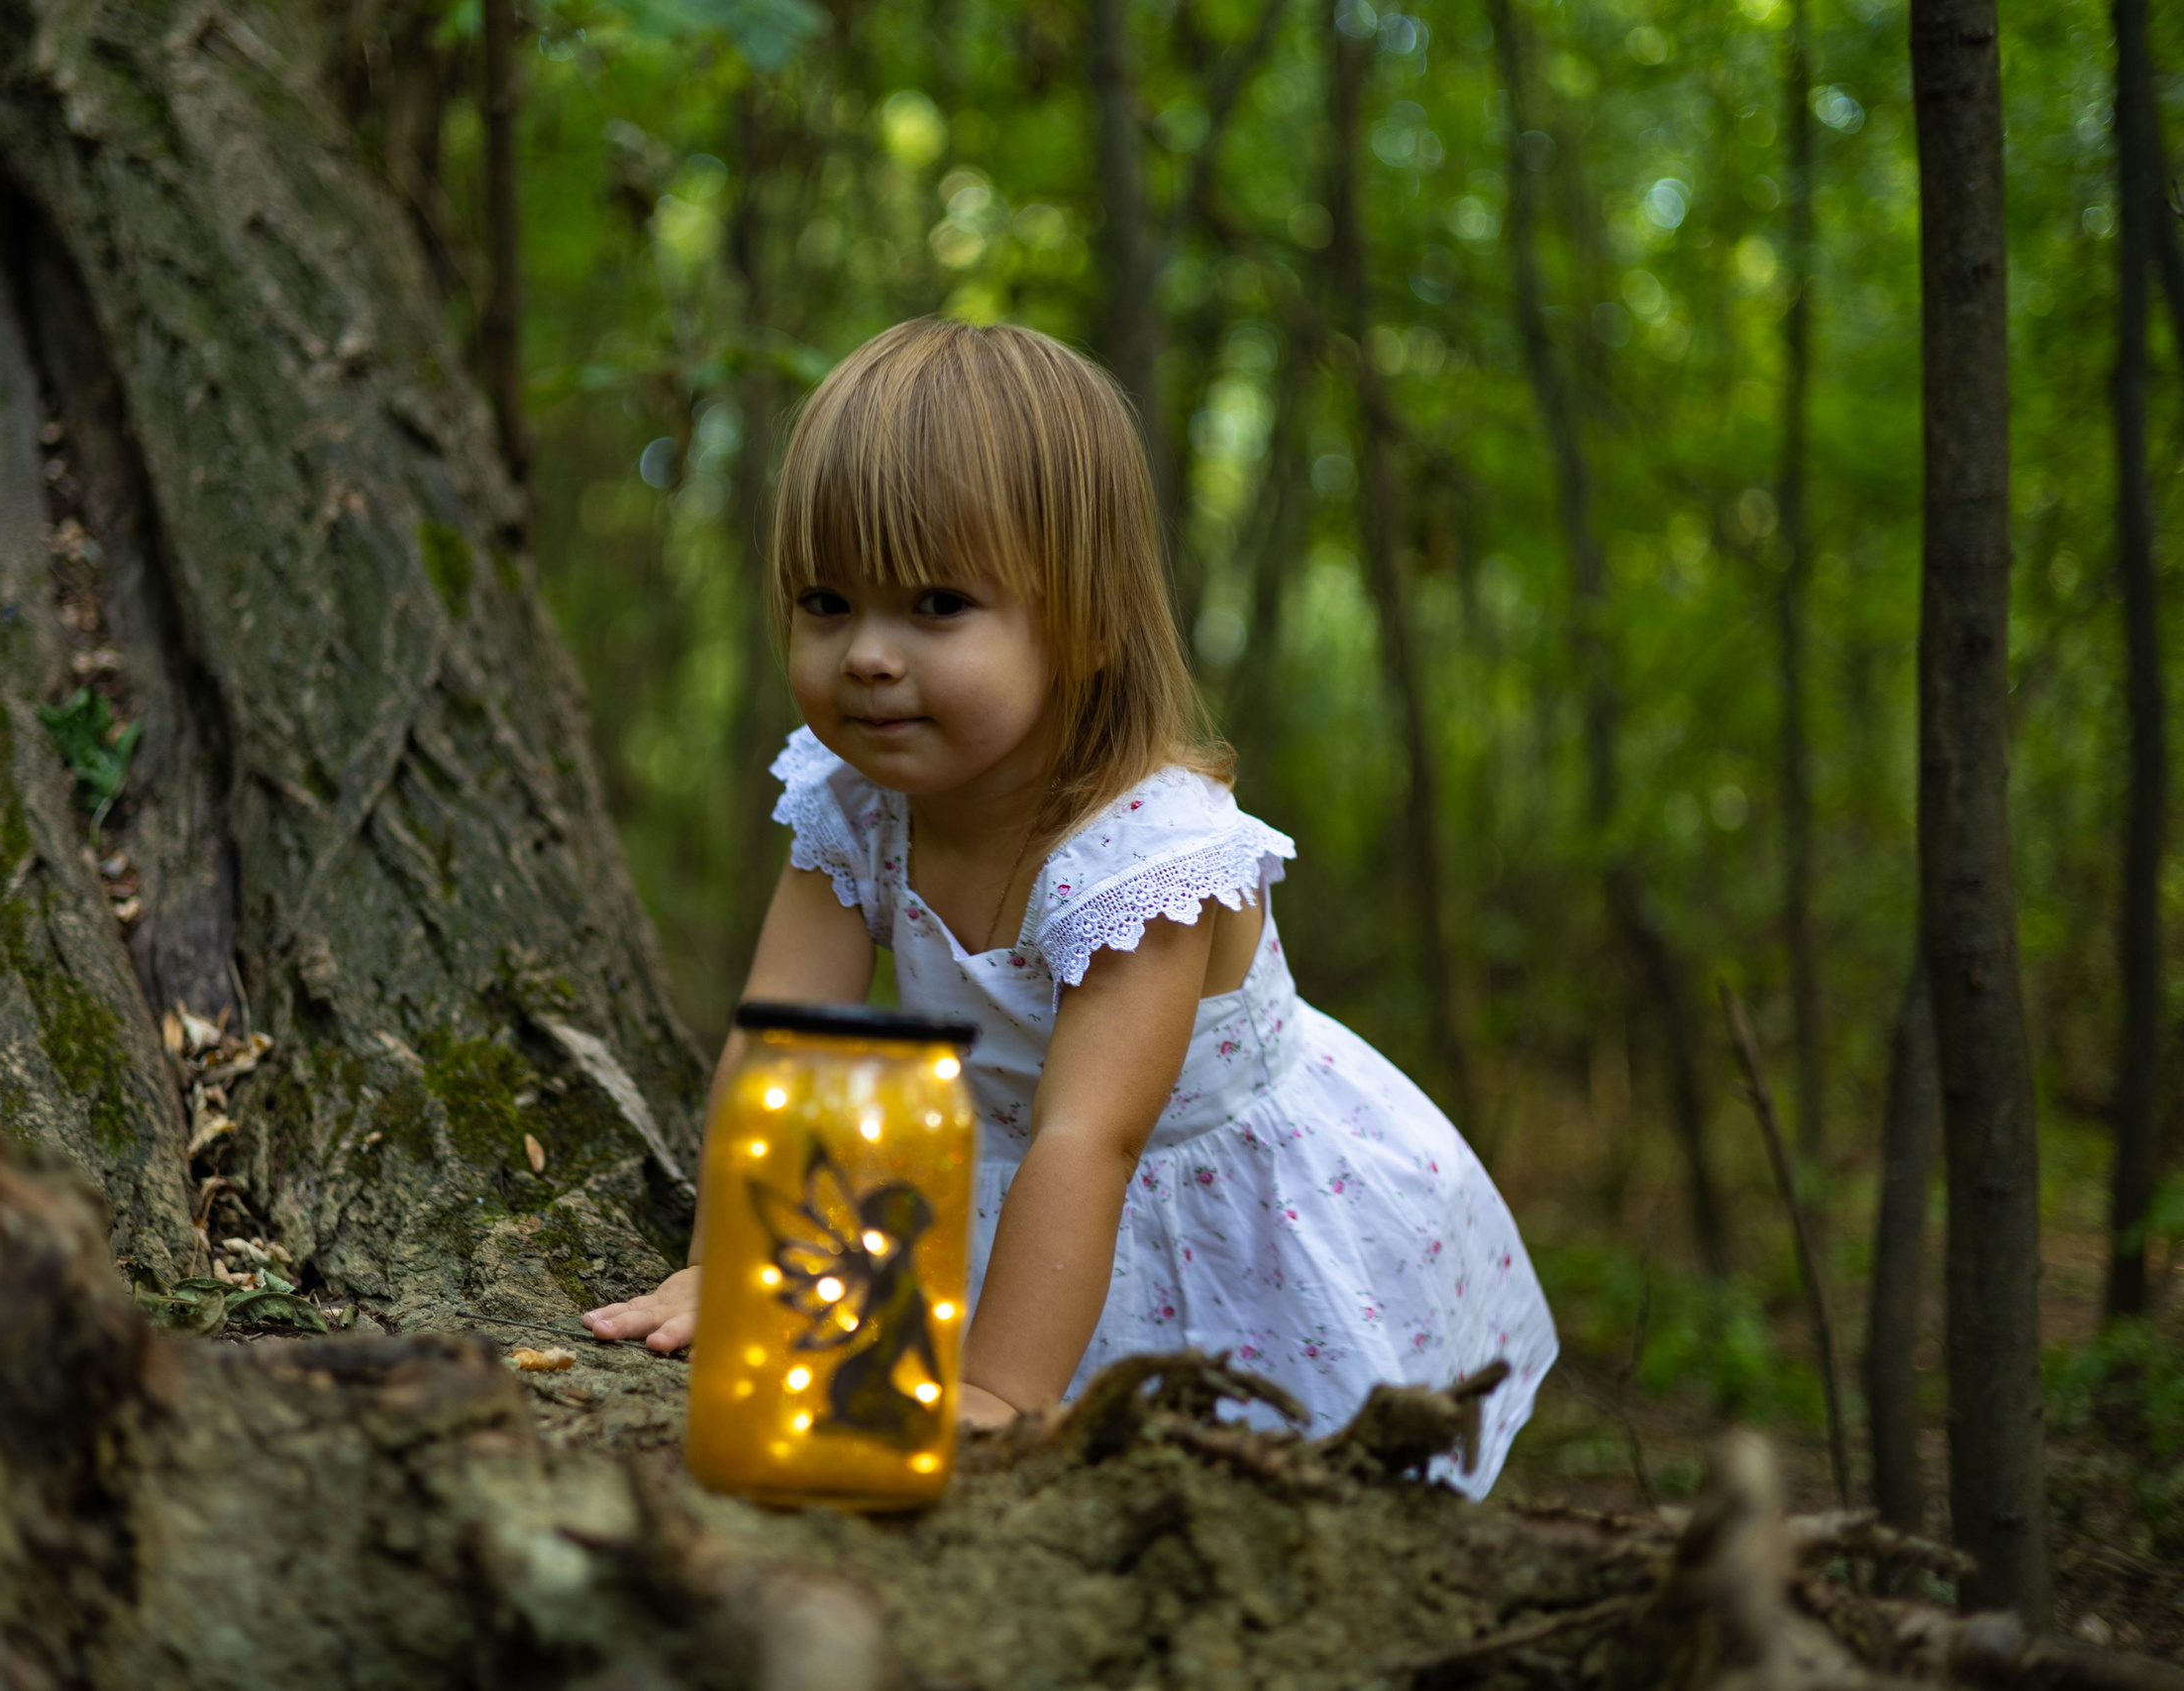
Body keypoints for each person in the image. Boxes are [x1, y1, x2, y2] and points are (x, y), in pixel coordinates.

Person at [583, 318, 1556, 1493]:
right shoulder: (851, 802)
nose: (868, 656)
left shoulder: (1147, 861)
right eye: (826, 601)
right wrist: (734, 1267)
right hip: (1017, 1196)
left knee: (1261, 1496)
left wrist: (998, 1395)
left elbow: (1091, 1140)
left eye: (937, 604)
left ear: (1085, 622)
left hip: (1212, 1213)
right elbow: (784, 1048)